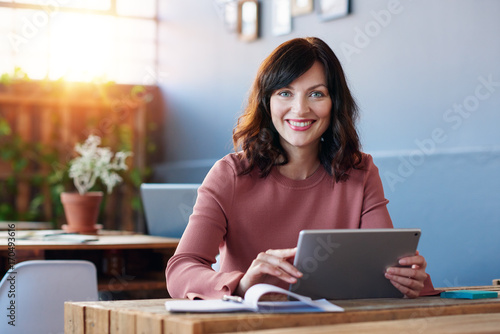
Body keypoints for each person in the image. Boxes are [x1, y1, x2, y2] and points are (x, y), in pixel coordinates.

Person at [166, 37, 435, 300]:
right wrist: (242, 283)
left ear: (335, 104)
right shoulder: (230, 175)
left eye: (316, 94)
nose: (300, 109)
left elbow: (386, 269)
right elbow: (181, 270)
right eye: (285, 93)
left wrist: (408, 279)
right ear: (266, 102)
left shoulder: (360, 171)